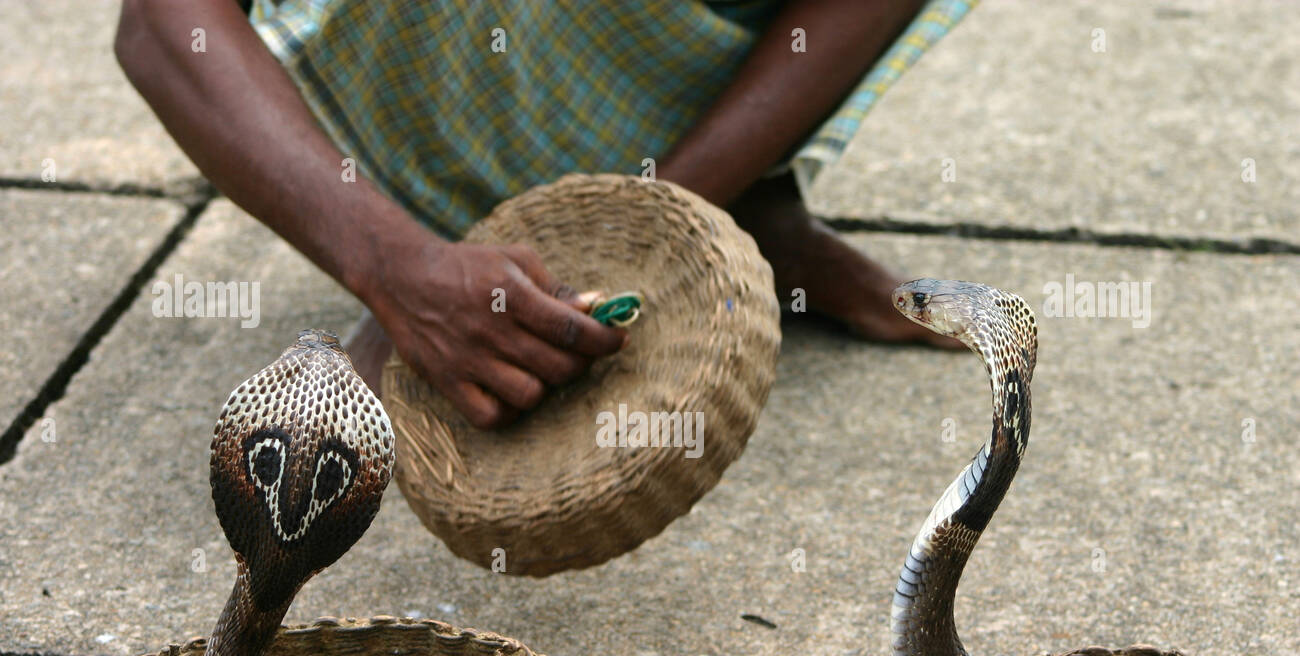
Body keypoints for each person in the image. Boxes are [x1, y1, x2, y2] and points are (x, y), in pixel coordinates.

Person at [116, 0, 974, 429]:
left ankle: (697, 209)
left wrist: (644, 228)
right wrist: (392, 268)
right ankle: (442, 262)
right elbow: (162, 23)